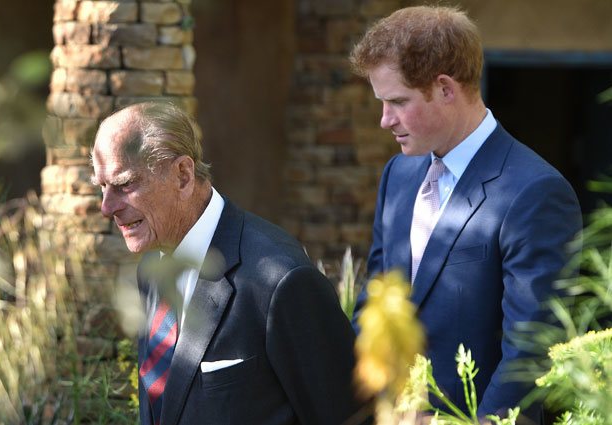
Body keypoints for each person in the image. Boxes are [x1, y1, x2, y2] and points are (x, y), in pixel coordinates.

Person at [349, 6, 582, 422]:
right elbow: (375, 303)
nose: (385, 120)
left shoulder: (536, 193)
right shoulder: (398, 174)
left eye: (397, 101)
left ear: (445, 89)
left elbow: (529, 355)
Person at [91, 102, 359, 425]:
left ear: (183, 175)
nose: (107, 208)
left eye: (124, 184)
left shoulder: (282, 281)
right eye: (102, 187)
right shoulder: (152, 268)